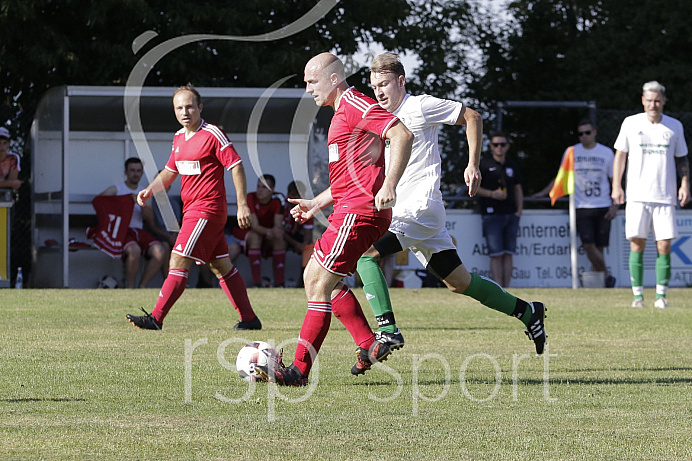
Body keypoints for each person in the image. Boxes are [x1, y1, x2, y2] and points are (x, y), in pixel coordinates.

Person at [356, 52, 547, 356]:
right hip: (411, 213)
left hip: (420, 208)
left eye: (384, 84)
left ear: (401, 81)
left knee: (365, 254)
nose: (378, 91)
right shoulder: (382, 120)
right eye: (374, 86)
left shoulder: (418, 106)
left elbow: (472, 116)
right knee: (460, 282)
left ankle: (388, 331)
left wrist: (473, 164)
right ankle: (528, 312)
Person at [256, 52, 414, 386]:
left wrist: (389, 185)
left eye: (311, 81)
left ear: (332, 79)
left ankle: (298, 371)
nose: (308, 88)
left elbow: (401, 134)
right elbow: (348, 177)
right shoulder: (341, 112)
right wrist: (316, 203)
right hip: (352, 209)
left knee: (315, 280)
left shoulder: (354, 103)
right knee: (329, 280)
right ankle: (369, 344)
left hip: (359, 212)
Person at [126, 84, 260, 330]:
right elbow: (170, 171)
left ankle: (156, 318)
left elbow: (237, 166)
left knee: (177, 259)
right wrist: (150, 189)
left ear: (200, 107)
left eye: (189, 106)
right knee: (221, 265)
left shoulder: (213, 134)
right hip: (193, 211)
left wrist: (242, 205)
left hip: (206, 210)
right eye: (179, 107)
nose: (185, 111)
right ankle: (250, 319)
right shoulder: (178, 137)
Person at [611, 81, 689, 309]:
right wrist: (617, 185)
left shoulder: (674, 126)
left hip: (665, 196)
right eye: (649, 101)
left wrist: (685, 184)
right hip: (637, 195)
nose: (653, 105)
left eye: (657, 101)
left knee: (664, 245)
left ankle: (661, 296)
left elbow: (682, 158)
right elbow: (620, 156)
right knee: (637, 244)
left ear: (664, 101)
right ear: (643, 101)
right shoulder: (630, 123)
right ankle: (637, 297)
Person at [532, 119, 618, 287]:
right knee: (588, 245)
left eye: (587, 133)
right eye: (580, 134)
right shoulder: (572, 152)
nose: (584, 137)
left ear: (594, 132)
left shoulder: (606, 153)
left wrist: (616, 204)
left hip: (602, 204)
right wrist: (544, 192)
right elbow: (561, 176)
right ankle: (607, 275)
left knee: (599, 247)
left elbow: (614, 180)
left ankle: (599, 285)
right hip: (581, 206)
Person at [98, 157, 168, 288]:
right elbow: (100, 201)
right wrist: (120, 204)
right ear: (126, 172)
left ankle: (141, 287)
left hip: (139, 230)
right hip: (122, 232)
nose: (135, 174)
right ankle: (129, 289)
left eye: (138, 171)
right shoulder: (117, 189)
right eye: (132, 170)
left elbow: (150, 219)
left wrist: (140, 203)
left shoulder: (145, 192)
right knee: (134, 250)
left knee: (160, 251)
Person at [477, 132, 524, 287]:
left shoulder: (512, 165)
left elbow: (518, 188)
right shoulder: (483, 164)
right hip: (492, 215)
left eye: (502, 144)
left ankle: (507, 288)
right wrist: (491, 194)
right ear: (491, 147)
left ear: (507, 146)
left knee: (508, 253)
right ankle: (499, 288)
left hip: (511, 213)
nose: (499, 148)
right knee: (496, 254)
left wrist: (519, 210)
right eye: (496, 144)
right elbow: (473, 188)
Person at [232, 174, 287, 287]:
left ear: (272, 190)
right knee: (256, 237)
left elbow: (278, 226)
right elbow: (254, 226)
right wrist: (271, 232)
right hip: (244, 233)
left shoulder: (278, 199)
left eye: (264, 187)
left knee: (279, 240)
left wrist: (274, 232)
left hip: (266, 234)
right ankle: (257, 283)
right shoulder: (250, 198)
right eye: (258, 186)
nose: (260, 190)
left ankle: (280, 284)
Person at [282, 180, 313, 287]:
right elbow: (280, 231)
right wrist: (296, 244)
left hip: (298, 238)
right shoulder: (283, 207)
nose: (293, 197)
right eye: (291, 194)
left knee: (309, 249)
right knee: (280, 243)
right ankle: (279, 282)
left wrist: (303, 245)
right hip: (285, 237)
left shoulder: (306, 208)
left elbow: (308, 234)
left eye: (297, 194)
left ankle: (303, 283)